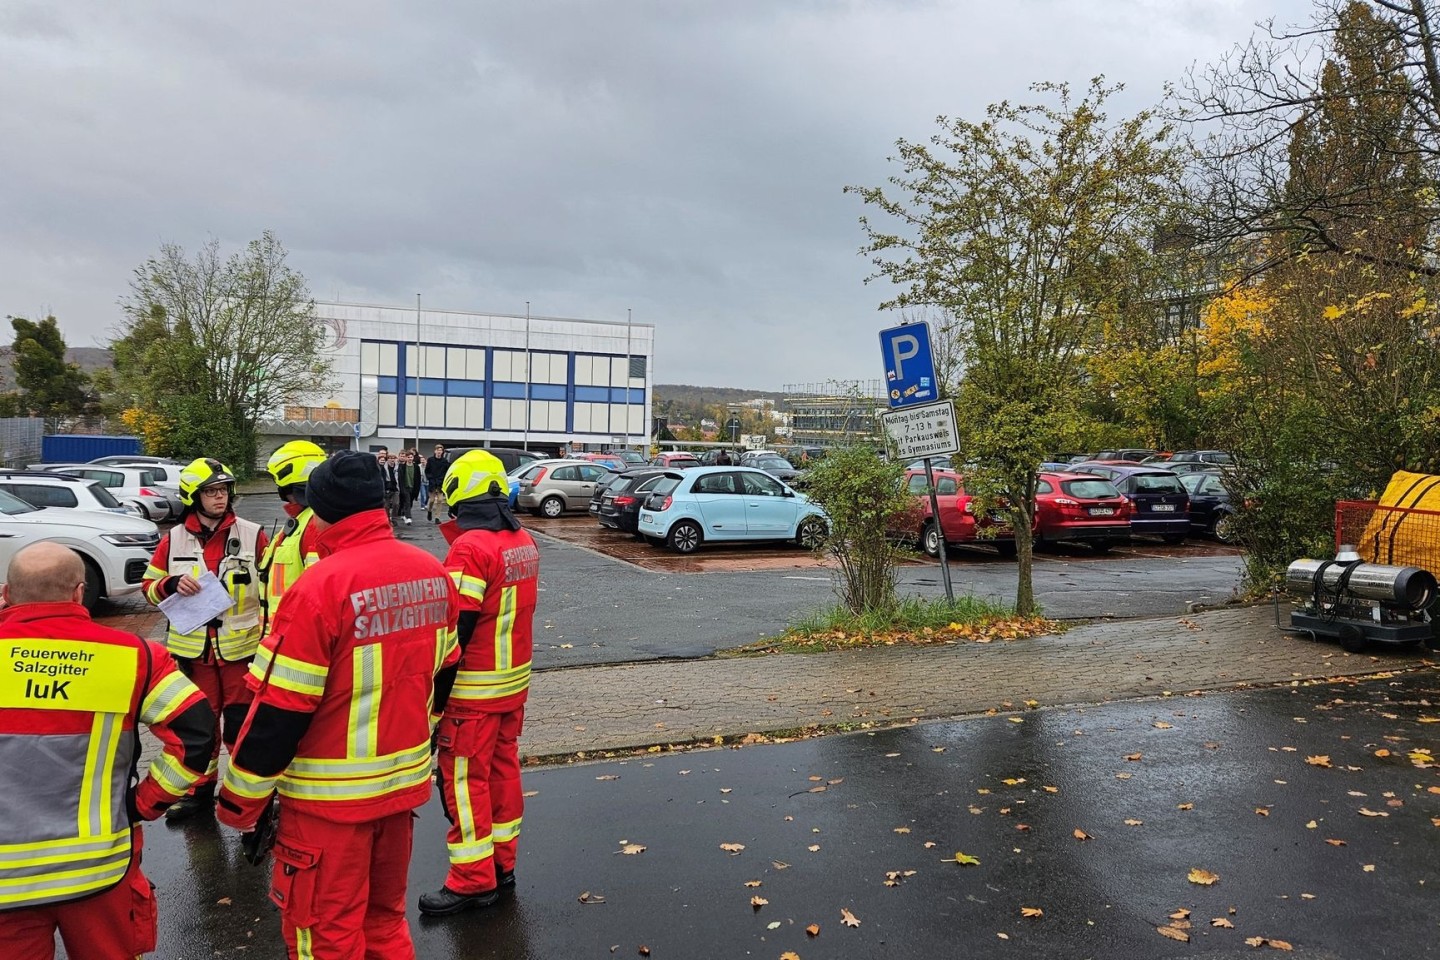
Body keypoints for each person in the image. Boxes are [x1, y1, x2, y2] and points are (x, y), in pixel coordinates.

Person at [217, 451, 462, 959]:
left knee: (324, 934)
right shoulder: (431, 572)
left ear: (323, 508)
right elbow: (446, 671)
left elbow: (279, 711)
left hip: (327, 804)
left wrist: (240, 800)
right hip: (400, 790)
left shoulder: (319, 587)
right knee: (384, 923)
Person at [0, 542, 215, 958]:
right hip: (99, 867)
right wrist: (142, 804)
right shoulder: (133, 657)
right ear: (80, 593)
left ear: (7, 593)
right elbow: (197, 734)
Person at [419, 450, 541, 916]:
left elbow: (457, 632)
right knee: (503, 775)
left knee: (465, 784)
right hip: (512, 688)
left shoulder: (470, 548)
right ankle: (501, 866)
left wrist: (434, 701)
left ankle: (472, 880)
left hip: (472, 694)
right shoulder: (522, 540)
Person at [142, 456, 267, 821]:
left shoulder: (253, 534)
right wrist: (168, 585)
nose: (219, 498)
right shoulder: (173, 539)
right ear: (193, 497)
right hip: (194, 657)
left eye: (223, 491)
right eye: (211, 492)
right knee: (201, 729)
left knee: (242, 728)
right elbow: (149, 586)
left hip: (241, 652)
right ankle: (199, 794)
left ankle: (245, 800)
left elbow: (273, 590)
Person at [259, 440, 327, 631]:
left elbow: (318, 595)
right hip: (284, 635)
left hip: (294, 639)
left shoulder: (314, 525)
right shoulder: (303, 520)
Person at [425, 443, 450, 522]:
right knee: (432, 500)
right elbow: (427, 471)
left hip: (440, 483)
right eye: (438, 450)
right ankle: (429, 510)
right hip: (432, 483)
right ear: (435, 451)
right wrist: (430, 478)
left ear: (442, 452)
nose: (439, 452)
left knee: (440, 500)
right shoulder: (430, 460)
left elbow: (447, 471)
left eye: (440, 450)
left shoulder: (444, 461)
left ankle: (437, 517)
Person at [397, 449, 421, 526]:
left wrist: (417, 488)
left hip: (413, 487)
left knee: (410, 502)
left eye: (411, 457)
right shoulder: (402, 467)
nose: (410, 458)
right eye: (408, 457)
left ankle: (404, 514)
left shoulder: (416, 467)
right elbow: (400, 478)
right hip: (405, 487)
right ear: (406, 458)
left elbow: (418, 478)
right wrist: (401, 488)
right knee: (407, 501)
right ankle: (408, 517)